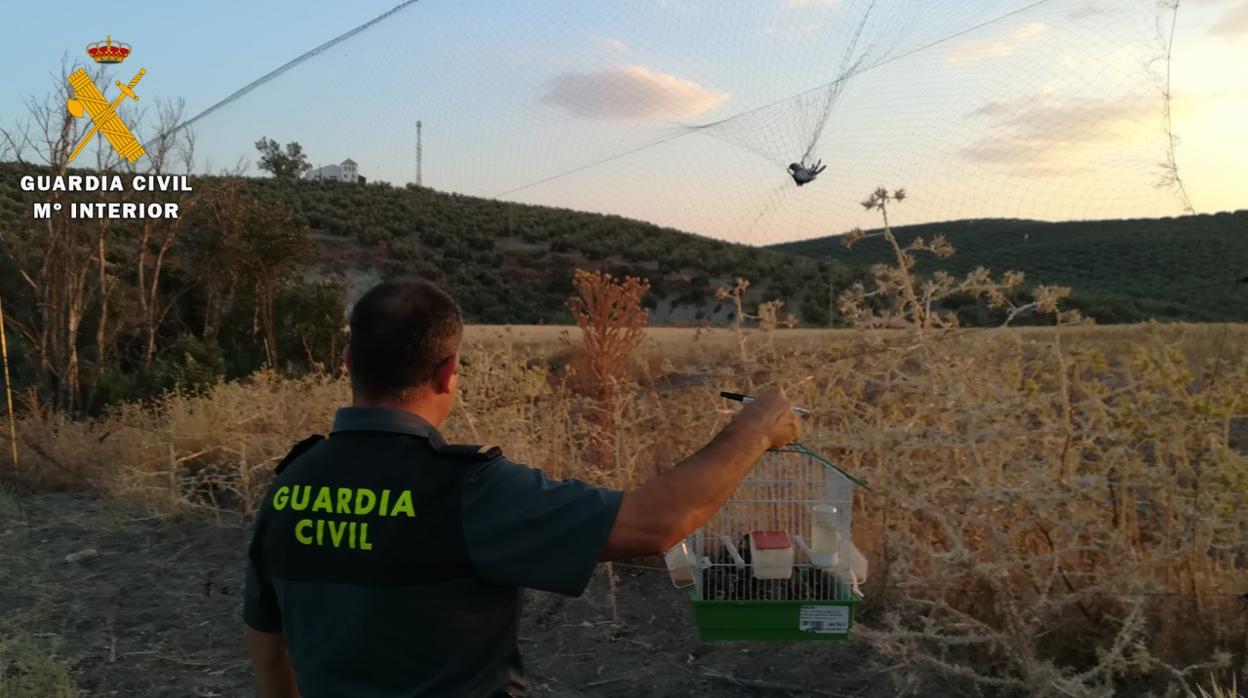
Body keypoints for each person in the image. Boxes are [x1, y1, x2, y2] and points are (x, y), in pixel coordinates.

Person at [243, 278, 802, 698]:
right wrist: (754, 429)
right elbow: (655, 523)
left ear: (347, 363)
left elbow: (269, 658)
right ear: (448, 374)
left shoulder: (289, 485)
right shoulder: (468, 491)